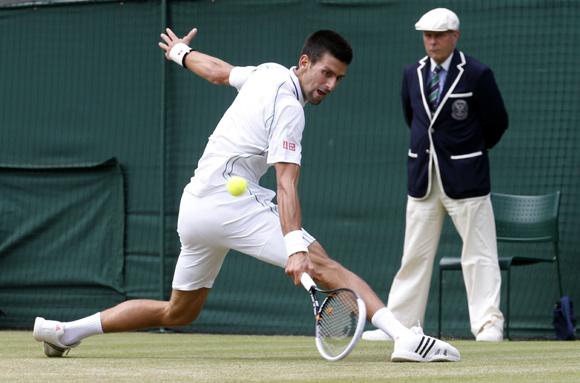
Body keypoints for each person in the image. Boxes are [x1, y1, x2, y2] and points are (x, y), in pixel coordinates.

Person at [33, 26, 460, 362]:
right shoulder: (291, 110)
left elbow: (218, 71)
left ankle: (65, 332)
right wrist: (295, 248)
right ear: (305, 62)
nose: (330, 84)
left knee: (178, 312)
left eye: (339, 79)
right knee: (323, 262)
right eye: (326, 73)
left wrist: (180, 53)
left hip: (195, 207)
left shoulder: (268, 71)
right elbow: (286, 182)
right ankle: (405, 338)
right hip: (229, 202)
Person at [363, 8, 508, 342]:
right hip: (423, 178)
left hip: (467, 179)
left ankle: (488, 326)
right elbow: (412, 116)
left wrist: (467, 153)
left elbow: (496, 122)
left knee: (480, 253)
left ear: (454, 36)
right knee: (414, 254)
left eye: (439, 34)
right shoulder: (411, 73)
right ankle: (399, 326)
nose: (432, 40)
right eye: (427, 34)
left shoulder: (477, 74)